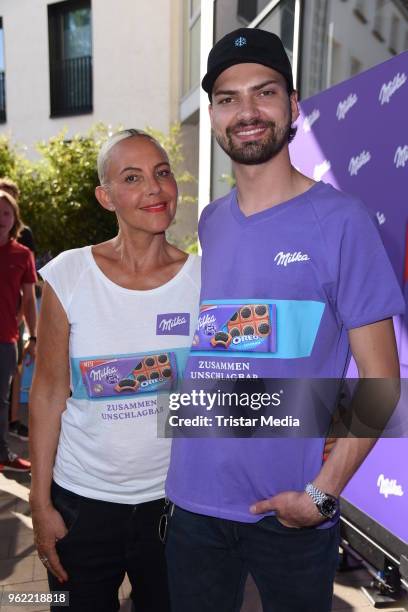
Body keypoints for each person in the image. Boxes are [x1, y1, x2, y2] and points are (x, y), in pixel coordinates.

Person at [165, 28, 405, 612]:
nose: (245, 111)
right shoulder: (211, 222)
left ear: (293, 105)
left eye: (263, 92)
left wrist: (323, 496)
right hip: (193, 506)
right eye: (227, 98)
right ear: (215, 116)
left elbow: (383, 381)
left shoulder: (342, 220)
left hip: (293, 513)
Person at [29, 129, 200, 612]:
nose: (155, 187)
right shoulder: (68, 275)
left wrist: (317, 426)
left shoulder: (205, 282)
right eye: (133, 177)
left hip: (174, 507)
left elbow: (221, 391)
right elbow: (46, 395)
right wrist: (41, 506)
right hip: (81, 505)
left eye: (162, 172)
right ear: (106, 197)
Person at [0, 189, 35, 471]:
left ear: (14, 218)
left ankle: (2, 454)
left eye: (6, 212)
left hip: (5, 339)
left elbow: (28, 300)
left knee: (2, 400)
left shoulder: (23, 255)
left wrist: (32, 336)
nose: (1, 218)